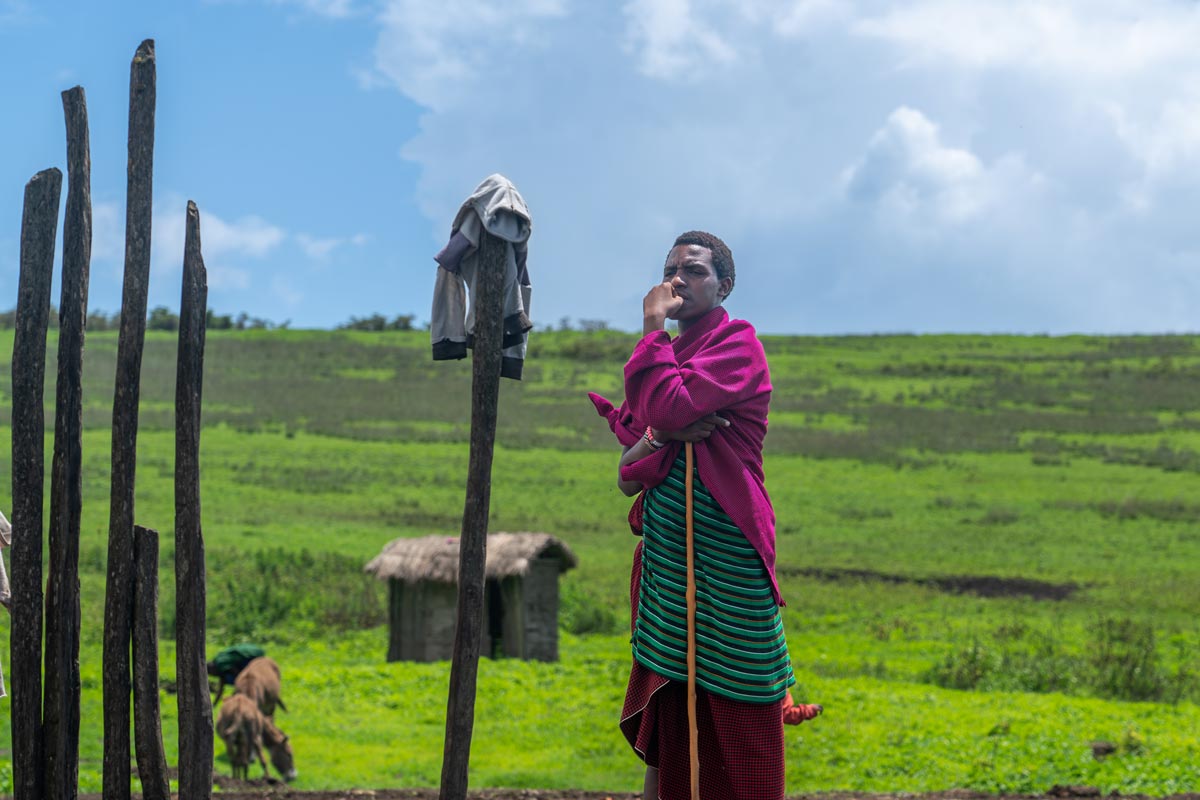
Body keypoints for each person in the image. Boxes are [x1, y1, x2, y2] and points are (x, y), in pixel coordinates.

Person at [589, 231, 815, 800]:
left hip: (729, 559)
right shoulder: (668, 358)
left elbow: (663, 407)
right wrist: (660, 435)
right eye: (670, 270)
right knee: (670, 704)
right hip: (669, 564)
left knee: (742, 694)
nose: (677, 281)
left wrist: (652, 331)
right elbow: (630, 468)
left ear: (725, 286)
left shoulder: (738, 346)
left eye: (693, 271)